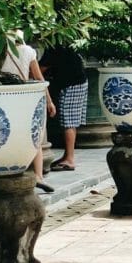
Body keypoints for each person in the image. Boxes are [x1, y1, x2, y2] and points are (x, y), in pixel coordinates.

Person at [1, 31, 57, 192]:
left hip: (5, 97)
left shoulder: (0, 51)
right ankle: (38, 175)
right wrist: (49, 101)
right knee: (35, 136)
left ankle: (12, 172)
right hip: (25, 97)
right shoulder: (28, 51)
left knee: (11, 136)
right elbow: (39, 79)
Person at [38, 44, 87, 172]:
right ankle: (67, 156)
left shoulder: (54, 47)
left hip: (71, 84)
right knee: (71, 120)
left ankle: (69, 159)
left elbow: (40, 69)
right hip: (77, 81)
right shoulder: (62, 44)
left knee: (68, 121)